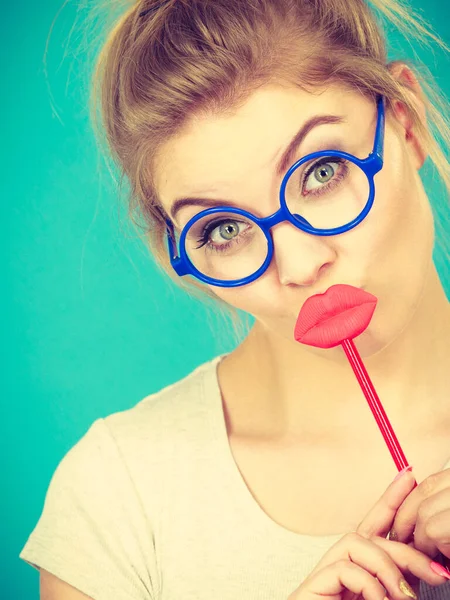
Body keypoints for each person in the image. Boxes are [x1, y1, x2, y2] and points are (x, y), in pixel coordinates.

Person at [19, 0, 450, 599]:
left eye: (322, 171)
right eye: (224, 230)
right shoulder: (119, 497)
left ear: (407, 122)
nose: (299, 265)